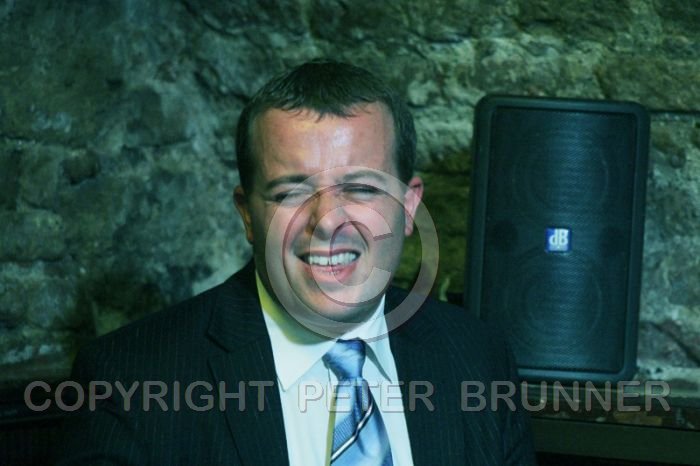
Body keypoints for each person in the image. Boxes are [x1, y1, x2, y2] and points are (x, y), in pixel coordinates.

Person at [55, 59, 536, 465]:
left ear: (409, 207)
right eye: (291, 192)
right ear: (247, 214)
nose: (327, 222)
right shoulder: (130, 383)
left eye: (361, 189)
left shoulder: (479, 359)